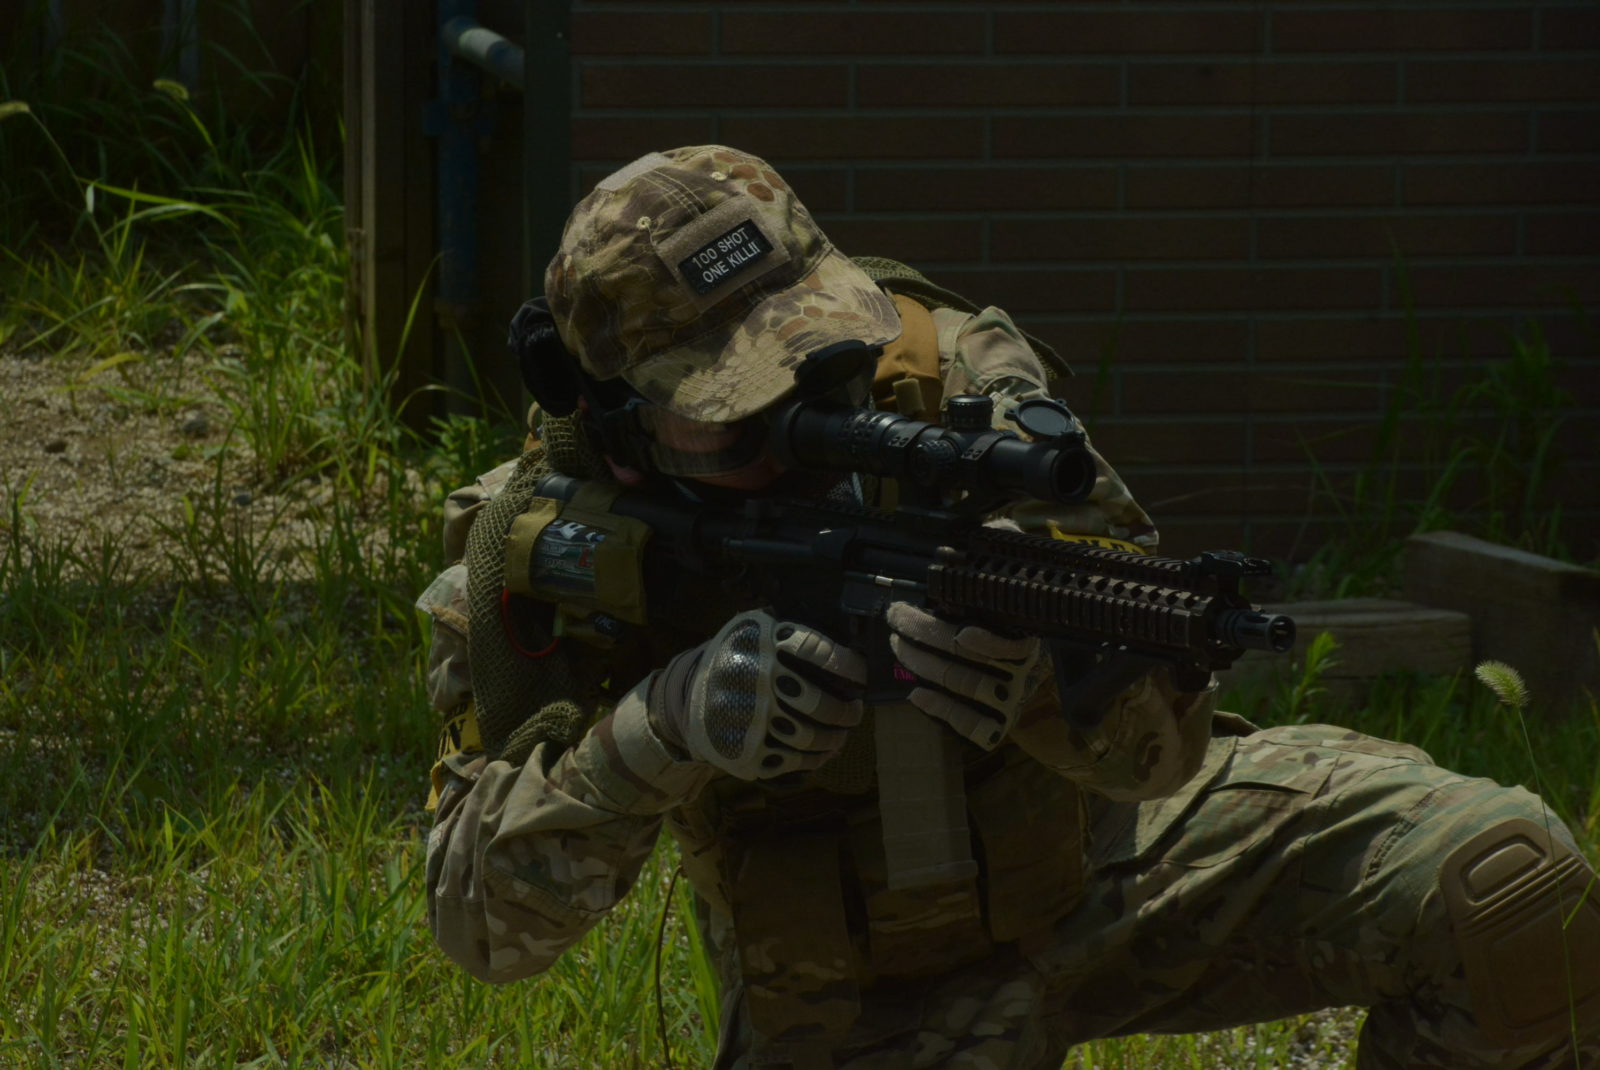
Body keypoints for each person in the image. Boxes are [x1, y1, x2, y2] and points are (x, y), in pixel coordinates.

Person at [417, 144, 1600, 1069]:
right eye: (731, 419)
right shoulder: (541, 542)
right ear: (613, 416)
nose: (793, 438)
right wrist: (662, 728)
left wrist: (1045, 688)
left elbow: (1163, 753)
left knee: (1504, 886)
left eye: (818, 370)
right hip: (856, 989)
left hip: (1114, 859)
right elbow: (484, 927)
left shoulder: (961, 393)